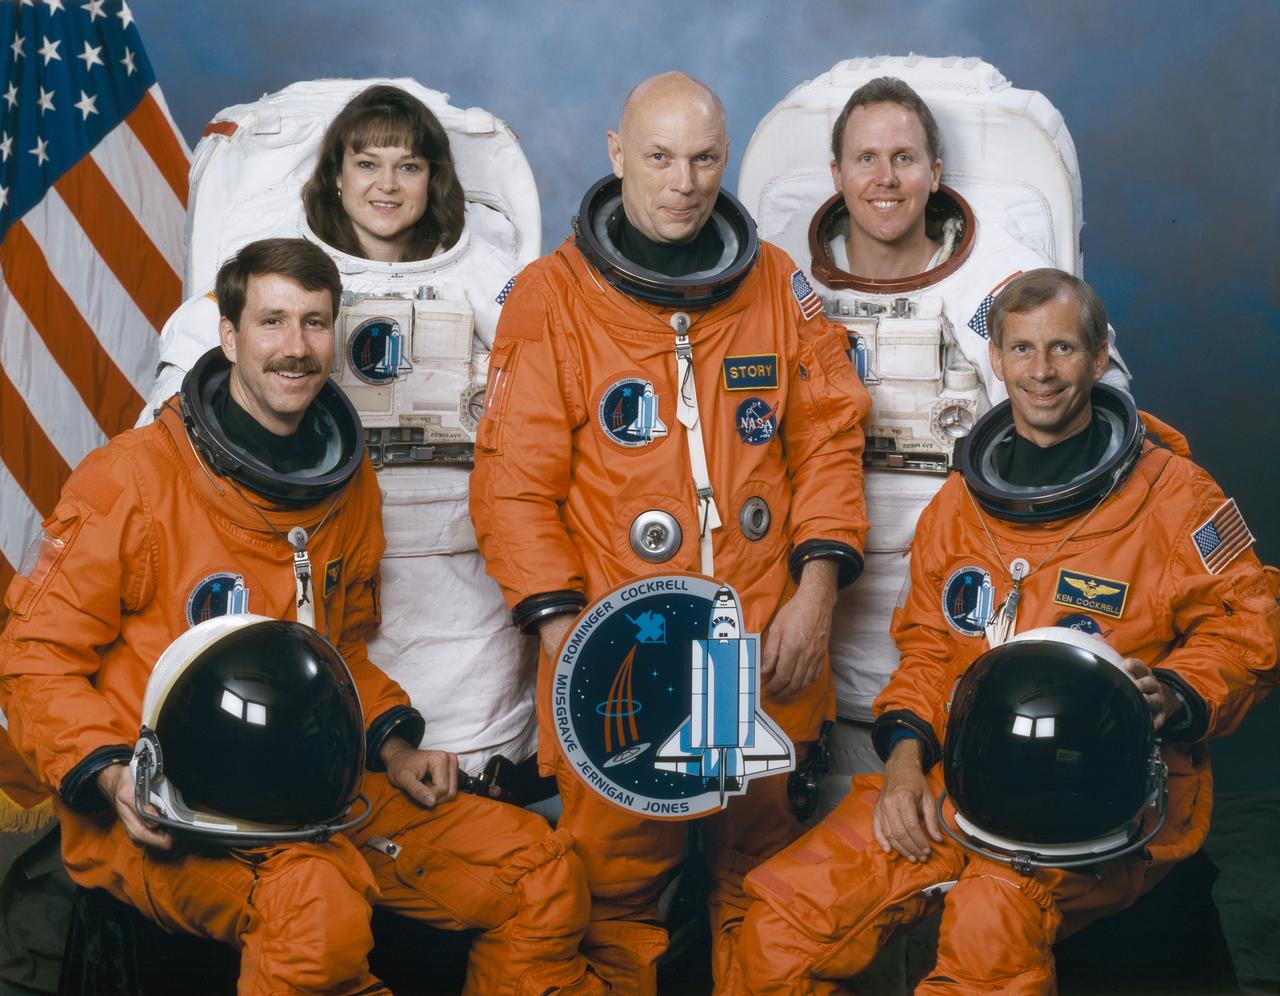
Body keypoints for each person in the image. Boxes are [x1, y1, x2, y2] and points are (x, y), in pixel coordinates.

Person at [0, 239, 602, 995]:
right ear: (229, 336)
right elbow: (35, 658)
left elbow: (337, 648)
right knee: (314, 909)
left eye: (315, 323)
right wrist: (115, 774)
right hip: (170, 804)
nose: (296, 346)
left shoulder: (344, 486)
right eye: (272, 321)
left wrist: (394, 748)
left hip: (315, 790)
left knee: (538, 871)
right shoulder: (132, 480)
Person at [737, 269, 1278, 993]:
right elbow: (929, 650)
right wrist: (904, 769)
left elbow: (1248, 627)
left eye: (1062, 348)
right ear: (996, 357)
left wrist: (1175, 692)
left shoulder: (1174, 496)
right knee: (778, 925)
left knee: (986, 938)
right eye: (1022, 349)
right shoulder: (960, 506)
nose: (1040, 371)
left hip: (1096, 796)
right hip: (957, 780)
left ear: (1098, 356)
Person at [469, 71, 871, 994]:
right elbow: (512, 490)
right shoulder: (553, 297)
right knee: (613, 898)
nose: (683, 183)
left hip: (759, 645)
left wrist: (816, 596)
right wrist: (572, 651)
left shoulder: (777, 284)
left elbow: (829, 445)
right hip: (622, 650)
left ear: (724, 159)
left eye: (703, 158)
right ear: (618, 155)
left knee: (766, 885)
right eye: (658, 157)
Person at [140, 83, 538, 785]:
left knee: (467, 778)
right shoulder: (281, 272)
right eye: (367, 163)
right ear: (335, 175)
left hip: (459, 575)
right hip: (318, 545)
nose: (387, 184)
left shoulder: (484, 275)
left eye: (409, 166)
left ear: (435, 178)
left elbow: (547, 389)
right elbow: (179, 400)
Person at [813, 76, 1130, 773]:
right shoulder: (790, 285)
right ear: (836, 175)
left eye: (903, 158)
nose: (885, 177)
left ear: (935, 171)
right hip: (821, 607)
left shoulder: (997, 285)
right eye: (866, 158)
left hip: (967, 594)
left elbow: (1096, 399)